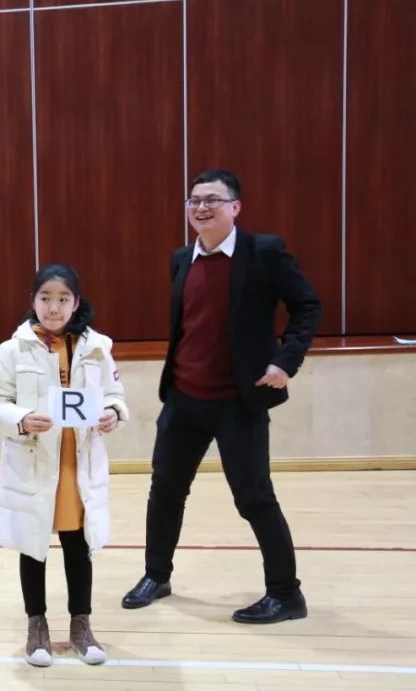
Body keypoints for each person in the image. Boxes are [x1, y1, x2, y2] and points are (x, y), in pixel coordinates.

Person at [121, 169, 321, 623]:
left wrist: (284, 361)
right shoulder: (181, 259)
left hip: (238, 402)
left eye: (212, 199)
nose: (201, 207)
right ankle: (157, 575)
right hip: (183, 398)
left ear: (235, 207)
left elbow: (308, 306)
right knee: (165, 490)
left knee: (254, 498)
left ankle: (286, 594)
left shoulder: (263, 252)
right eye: (194, 200)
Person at [0, 263, 129, 666]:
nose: (54, 307)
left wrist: (113, 413)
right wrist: (22, 419)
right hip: (35, 461)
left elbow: (115, 395)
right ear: (33, 301)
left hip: (77, 463)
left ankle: (81, 625)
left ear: (76, 303)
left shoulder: (97, 347)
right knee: (34, 546)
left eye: (63, 299)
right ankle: (37, 626)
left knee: (79, 545)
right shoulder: (13, 349)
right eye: (45, 298)